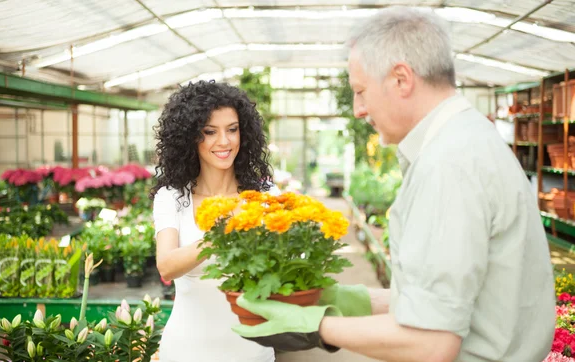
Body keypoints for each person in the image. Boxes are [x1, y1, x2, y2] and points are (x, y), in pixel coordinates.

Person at [232, 7, 556, 362]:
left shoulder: (449, 165)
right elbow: (449, 300)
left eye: (360, 90)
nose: (357, 109)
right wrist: (348, 298)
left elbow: (431, 343)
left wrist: (314, 325)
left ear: (401, 79)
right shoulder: (469, 139)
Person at [151, 80, 279, 362]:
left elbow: (282, 265)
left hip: (252, 350)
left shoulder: (265, 196)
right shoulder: (172, 197)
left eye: (232, 130)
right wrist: (223, 230)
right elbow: (167, 265)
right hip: (186, 350)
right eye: (210, 132)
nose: (224, 141)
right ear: (190, 138)